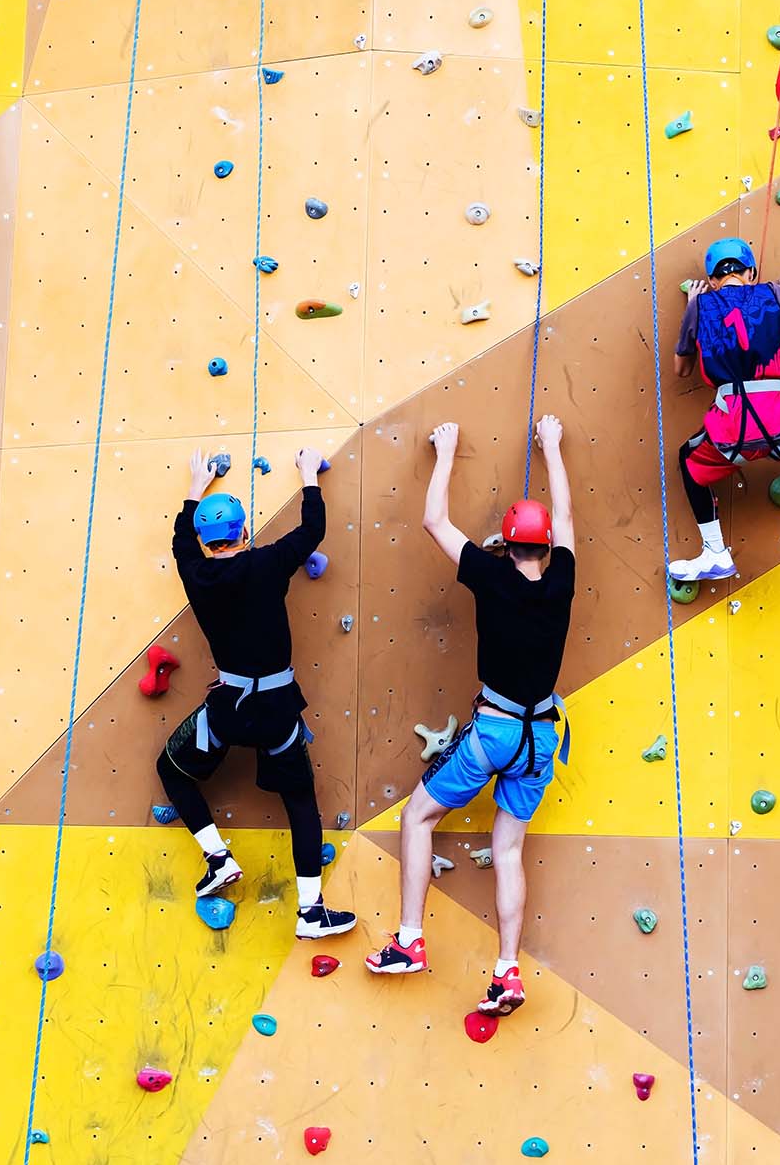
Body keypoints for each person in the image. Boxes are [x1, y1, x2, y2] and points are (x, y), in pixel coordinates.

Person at [366, 416, 576, 1018]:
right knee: (507, 850)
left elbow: (435, 521)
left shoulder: (488, 576)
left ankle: (409, 939)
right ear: (545, 548)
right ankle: (508, 972)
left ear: (506, 545)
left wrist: (448, 451)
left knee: (417, 818)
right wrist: (552, 447)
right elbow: (564, 518)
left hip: (495, 730)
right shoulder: (561, 579)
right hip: (539, 738)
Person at [160, 446, 356, 940]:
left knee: (172, 770)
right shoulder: (268, 563)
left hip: (226, 710)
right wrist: (310, 475)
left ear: (206, 543)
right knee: (300, 801)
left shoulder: (195, 572)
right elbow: (312, 531)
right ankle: (311, 911)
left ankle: (218, 857)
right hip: (275, 711)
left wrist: (194, 489)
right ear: (244, 533)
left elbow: (179, 540)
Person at [667, 238, 780, 582]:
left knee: (689, 461)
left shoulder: (700, 306)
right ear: (751, 272)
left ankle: (715, 552)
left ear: (713, 280)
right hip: (779, 422)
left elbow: (681, 370)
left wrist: (692, 307)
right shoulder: (775, 294)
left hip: (729, 429)